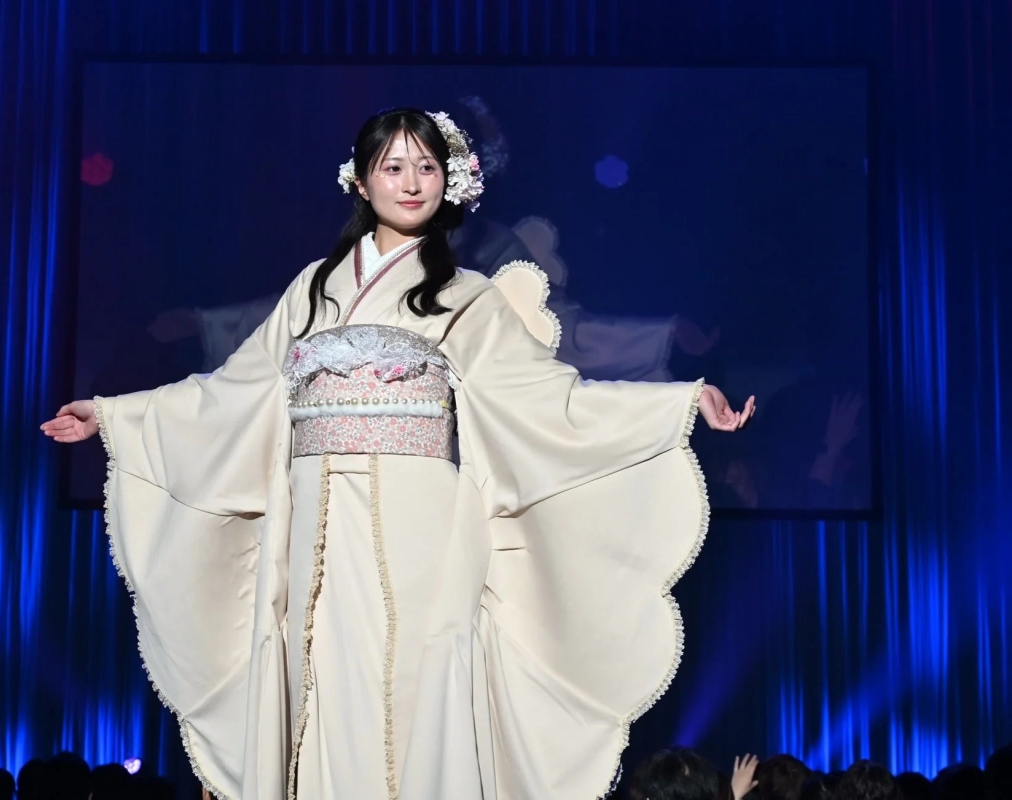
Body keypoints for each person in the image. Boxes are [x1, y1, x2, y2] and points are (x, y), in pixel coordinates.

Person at [42, 107, 754, 800]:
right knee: (319, 670)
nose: (412, 182)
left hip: (422, 524)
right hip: (316, 521)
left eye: (427, 167)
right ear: (361, 181)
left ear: (451, 180)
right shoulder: (313, 289)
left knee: (415, 672)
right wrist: (114, 415)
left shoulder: (467, 296)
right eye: (393, 167)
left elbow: (551, 400)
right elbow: (232, 392)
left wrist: (680, 402)